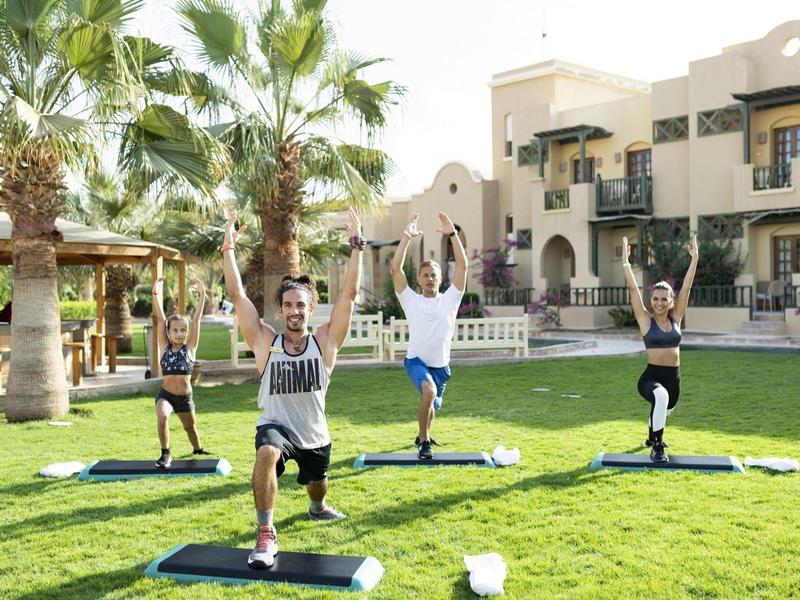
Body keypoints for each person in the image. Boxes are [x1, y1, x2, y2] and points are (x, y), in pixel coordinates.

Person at [222, 207, 364, 569]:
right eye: (288, 305)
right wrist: (228, 251)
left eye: (300, 304)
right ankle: (266, 534)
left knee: (317, 486)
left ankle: (317, 507)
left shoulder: (326, 341)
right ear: (281, 310)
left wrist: (357, 246)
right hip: (276, 427)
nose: (294, 310)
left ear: (310, 308)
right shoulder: (265, 342)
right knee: (266, 452)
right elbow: (238, 297)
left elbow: (348, 296)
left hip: (314, 436)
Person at [391, 212, 467, 460]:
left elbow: (463, 266)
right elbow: (395, 268)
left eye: (433, 275)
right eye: (425, 275)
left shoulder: (451, 299)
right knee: (429, 392)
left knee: (432, 405)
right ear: (419, 280)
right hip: (416, 362)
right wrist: (406, 236)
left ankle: (423, 434)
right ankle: (424, 443)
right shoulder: (410, 299)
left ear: (440, 279)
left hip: (441, 366)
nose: (430, 278)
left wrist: (452, 234)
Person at [621, 234, 698, 463]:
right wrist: (625, 262)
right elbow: (634, 291)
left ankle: (651, 432)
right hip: (650, 377)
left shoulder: (676, 318)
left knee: (664, 405)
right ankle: (657, 446)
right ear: (651, 300)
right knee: (660, 396)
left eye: (664, 299)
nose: (659, 303)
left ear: (671, 301)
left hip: (674, 379)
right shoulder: (646, 321)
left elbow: (686, 287)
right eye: (655, 299)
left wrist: (694, 259)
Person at [151, 275, 211, 468]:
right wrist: (155, 294)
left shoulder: (190, 348)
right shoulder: (164, 348)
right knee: (162, 415)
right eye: (175, 330)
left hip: (185, 398)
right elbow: (161, 319)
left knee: (190, 428)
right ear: (168, 332)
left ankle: (198, 448)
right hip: (166, 395)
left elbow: (197, 319)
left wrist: (202, 295)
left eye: (183, 330)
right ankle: (165, 454)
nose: (180, 334)